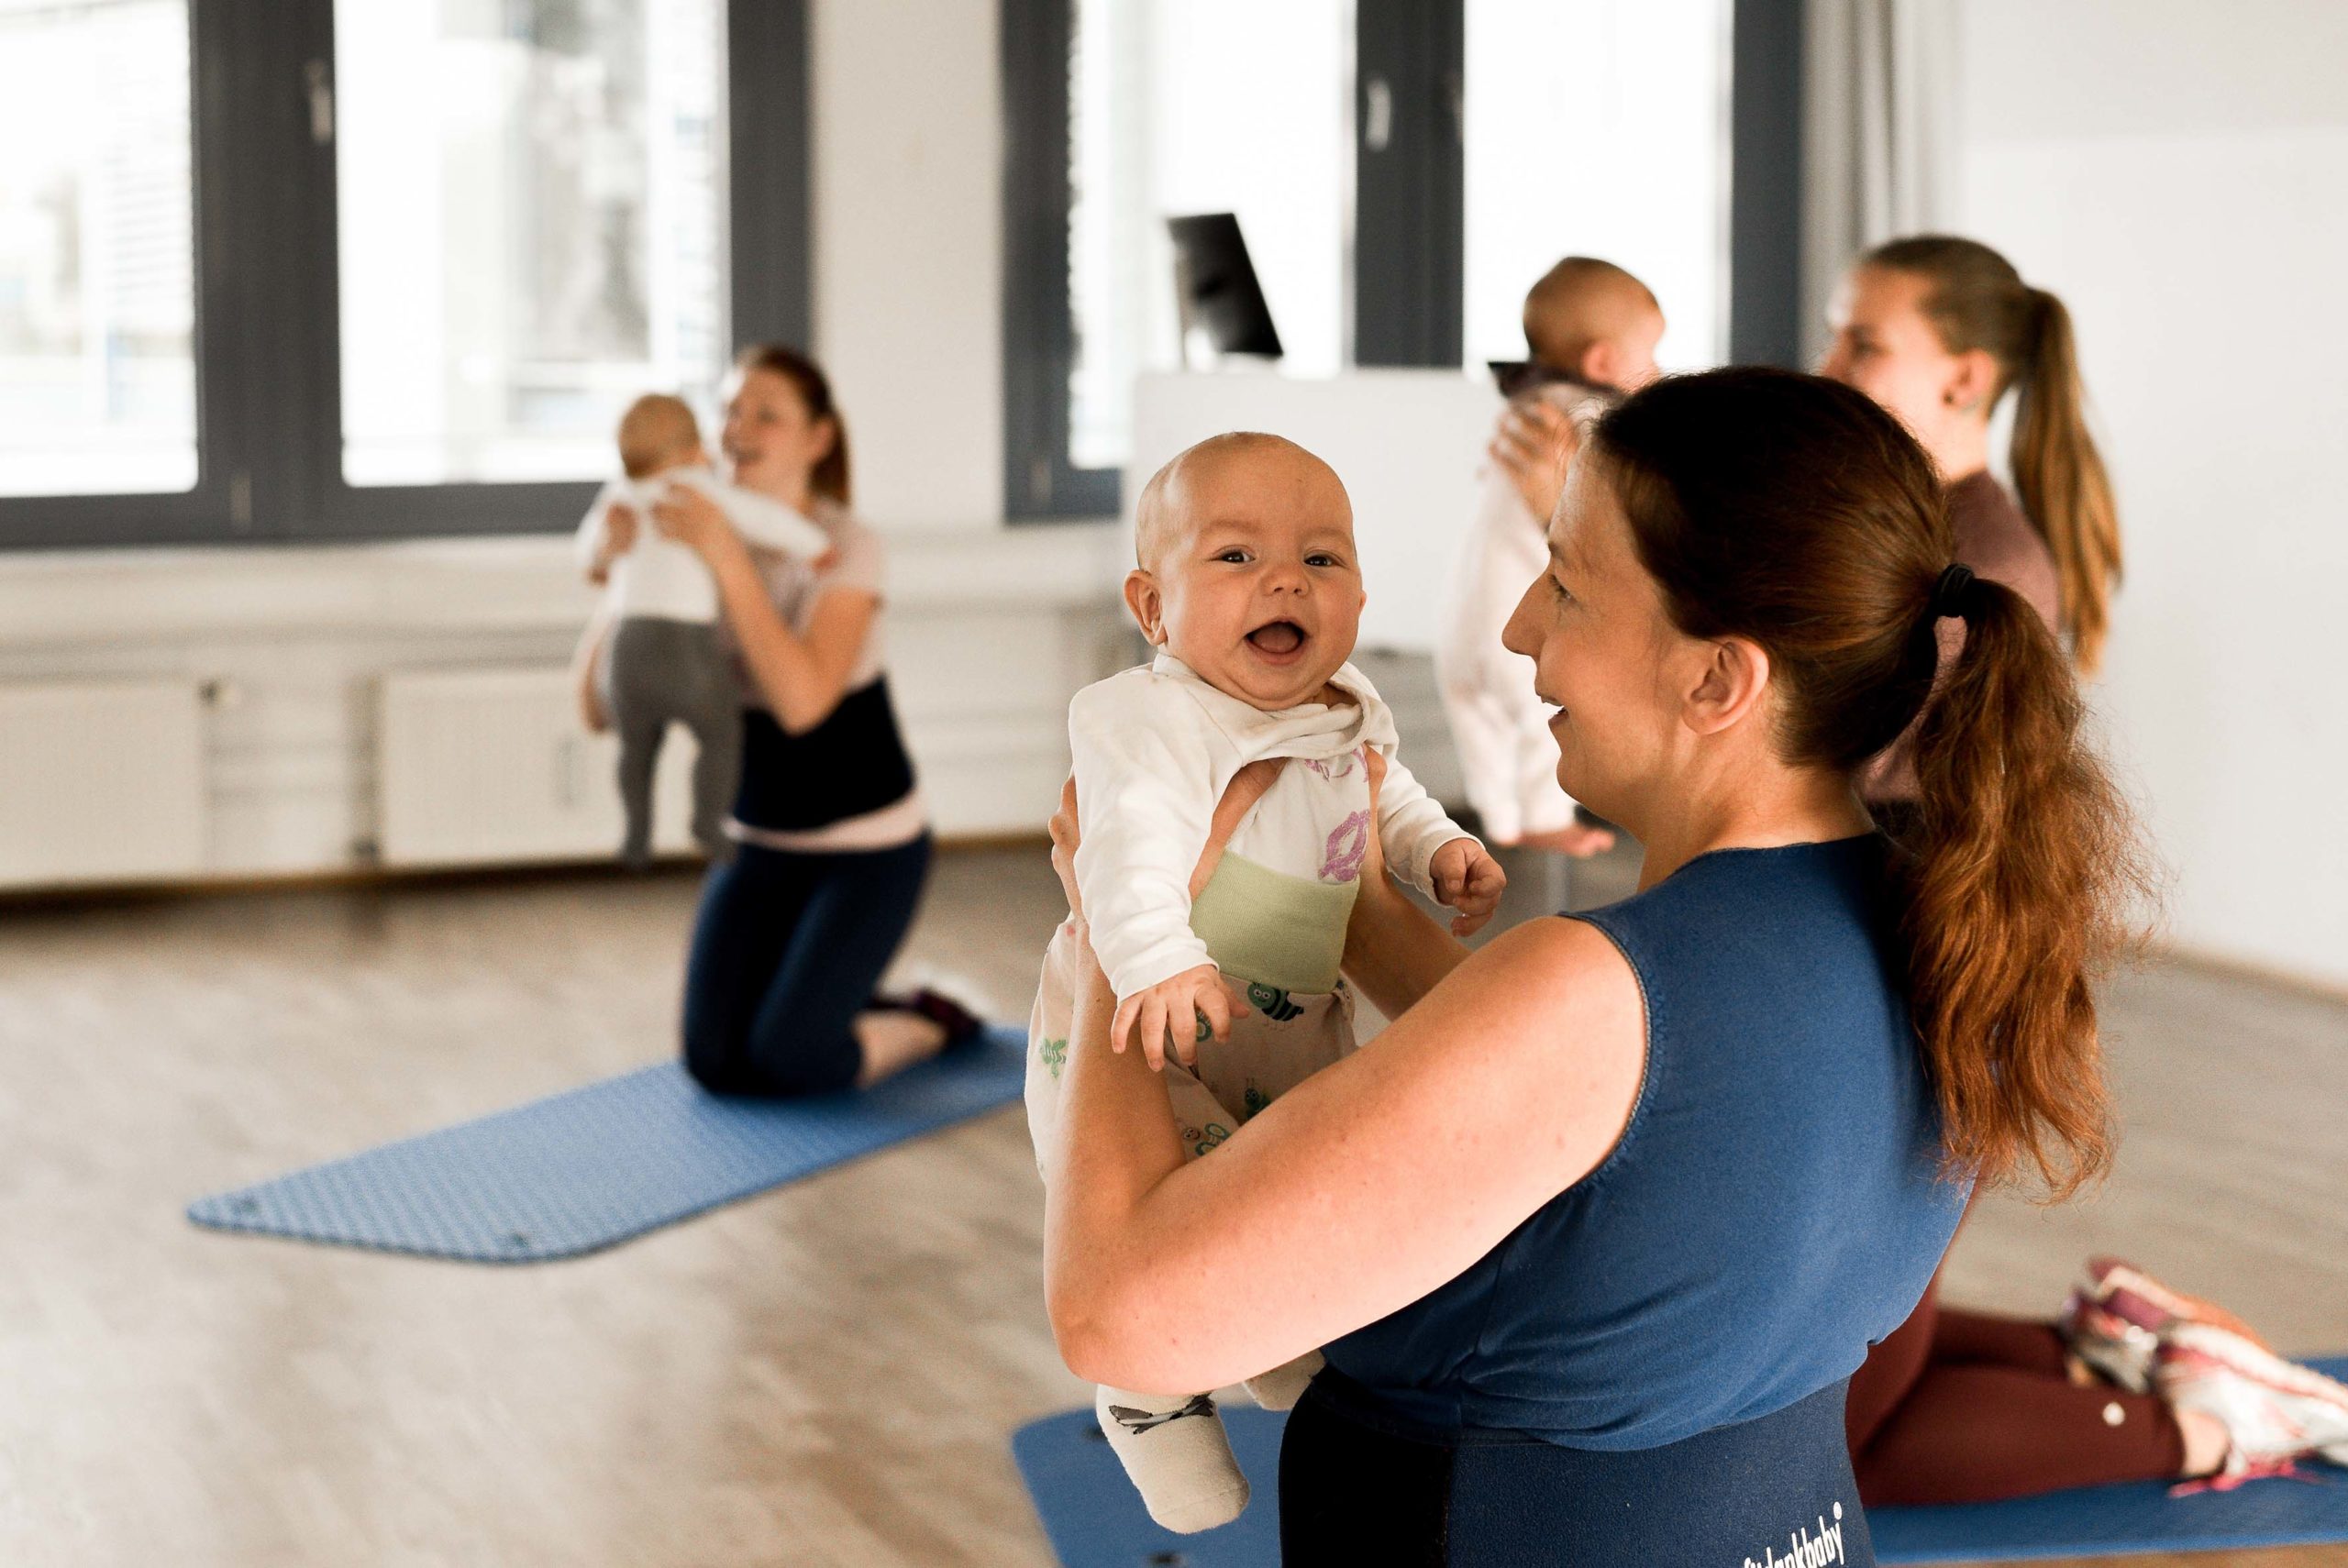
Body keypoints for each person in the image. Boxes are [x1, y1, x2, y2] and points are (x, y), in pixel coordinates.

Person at [1040, 366, 2141, 1563]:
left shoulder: (1595, 991)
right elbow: (1599, 1121)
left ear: (1719, 676)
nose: (1519, 626)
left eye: (1565, 582)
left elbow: (1119, 1320)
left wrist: (1114, 921)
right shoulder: (1940, 922)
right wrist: (1344, 902)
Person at [1822, 236, 2348, 1500]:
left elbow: (1852, 762)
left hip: (1937, 986)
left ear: (1963, 378)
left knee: (1848, 1442)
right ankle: (2114, 1348)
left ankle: (2216, 1426)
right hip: (1902, 980)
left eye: (1862, 340)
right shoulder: (1914, 531)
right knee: (1863, 1346)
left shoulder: (1984, 563)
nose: (1826, 357)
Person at [1024, 433, 1501, 1533]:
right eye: (1236, 557)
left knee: (1283, 1202)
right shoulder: (1148, 716)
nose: (1286, 580)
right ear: (1153, 608)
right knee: (1168, 1210)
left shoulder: (1347, 707)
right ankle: (1147, 1402)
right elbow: (1126, 844)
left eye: (1321, 561)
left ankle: (1284, 1340)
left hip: (1291, 1021)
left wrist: (1438, 855)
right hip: (1159, 1018)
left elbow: (1386, 805)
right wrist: (1153, 960)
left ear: (1360, 596)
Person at [590, 344, 980, 1097]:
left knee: (792, 1060)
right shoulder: (688, 529)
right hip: (757, 846)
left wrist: (726, 558)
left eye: (767, 413)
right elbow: (599, 709)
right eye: (732, 408)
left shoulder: (846, 547)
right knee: (714, 1064)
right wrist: (618, 579)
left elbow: (802, 706)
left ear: (818, 438)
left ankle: (934, 1016)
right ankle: (842, 990)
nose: (740, 426)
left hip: (868, 853)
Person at [1440, 256, 1664, 861]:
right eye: (1651, 353)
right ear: (1601, 362)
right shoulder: (1592, 417)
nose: (1660, 369)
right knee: (1538, 712)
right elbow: (1615, 503)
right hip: (1521, 605)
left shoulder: (1524, 405)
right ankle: (1540, 817)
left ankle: (1499, 816)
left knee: (1472, 703)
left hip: (1468, 609)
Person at [576, 392, 831, 867]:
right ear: (694, 447)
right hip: (685, 649)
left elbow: (588, 551)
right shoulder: (698, 490)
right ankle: (707, 824)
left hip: (626, 653)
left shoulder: (619, 497)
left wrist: (602, 552)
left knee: (635, 748)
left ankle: (636, 833)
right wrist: (816, 545)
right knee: (720, 734)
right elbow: (765, 520)